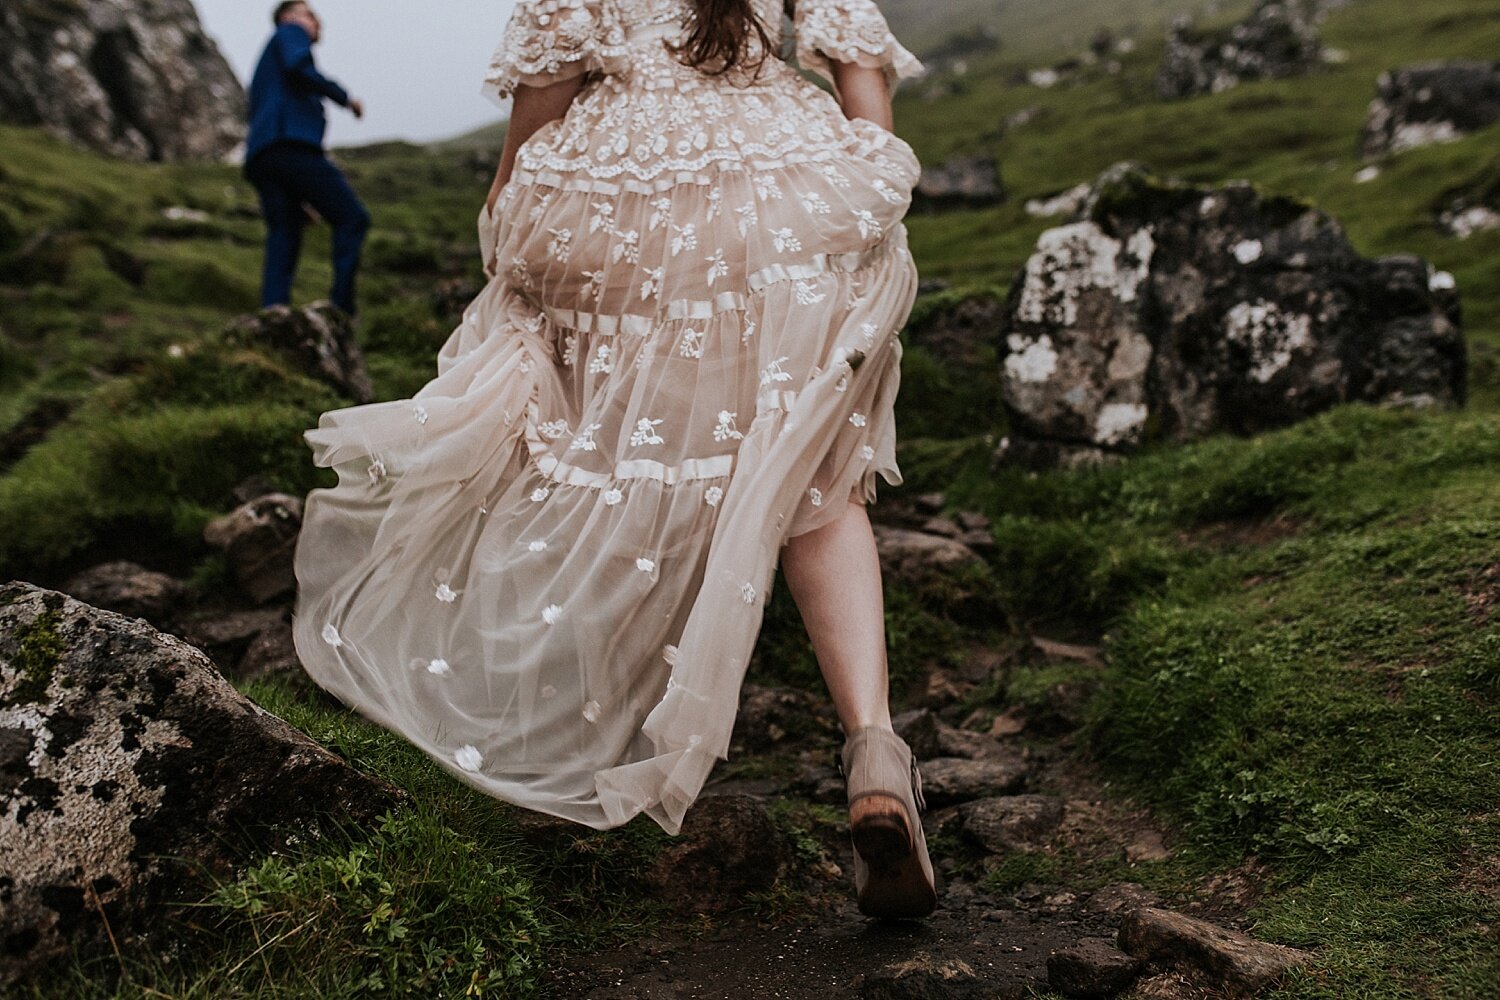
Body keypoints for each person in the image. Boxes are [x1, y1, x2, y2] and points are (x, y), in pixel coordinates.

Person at [291, 0, 934, 918]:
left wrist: (506, 221)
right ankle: (872, 746)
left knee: (614, 461)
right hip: (787, 184)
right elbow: (856, 60)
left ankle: (591, 741)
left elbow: (542, 98)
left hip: (617, 200)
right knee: (813, 477)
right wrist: (865, 176)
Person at [244, 1, 371, 317]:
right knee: (352, 218)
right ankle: (342, 309)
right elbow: (298, 66)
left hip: (263, 154)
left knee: (284, 231)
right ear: (288, 17)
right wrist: (345, 97)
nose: (317, 22)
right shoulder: (290, 31)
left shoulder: (267, 67)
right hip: (290, 145)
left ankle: (273, 313)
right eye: (310, 15)